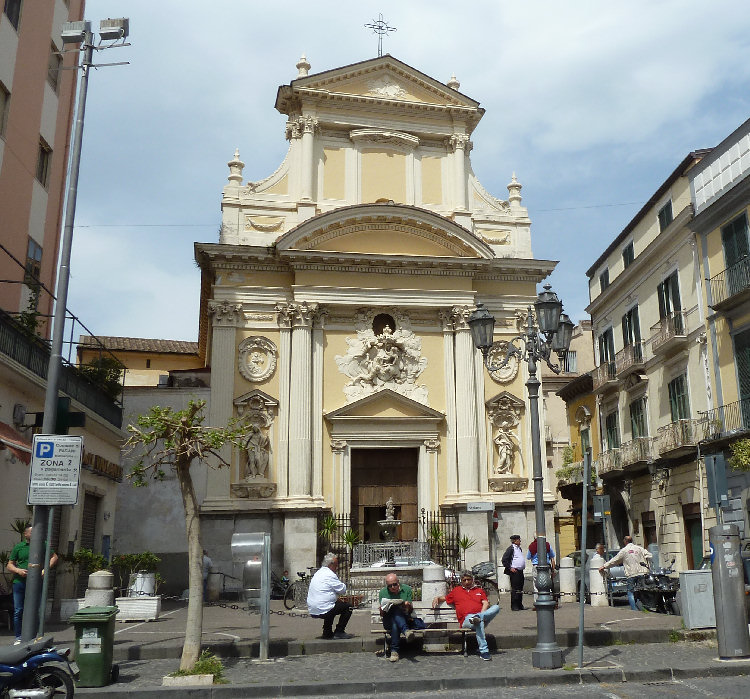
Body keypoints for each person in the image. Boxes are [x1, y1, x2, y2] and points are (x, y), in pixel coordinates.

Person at [432, 570, 499, 661]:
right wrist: (437, 598)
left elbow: (485, 603)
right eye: (464, 580)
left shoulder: (479, 591)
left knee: (496, 607)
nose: (467, 582)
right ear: (461, 581)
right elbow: (445, 598)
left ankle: (478, 617)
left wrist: (480, 615)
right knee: (478, 623)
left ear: (472, 580)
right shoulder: (456, 591)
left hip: (480, 616)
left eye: (469, 579)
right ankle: (484, 651)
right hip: (466, 620)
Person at [6, 526, 57, 644]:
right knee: (19, 610)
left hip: (36, 582)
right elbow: (9, 564)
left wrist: (45, 570)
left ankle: (36, 636)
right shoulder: (19, 547)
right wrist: (18, 571)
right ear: (26, 534)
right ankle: (18, 637)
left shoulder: (43, 544)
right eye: (32, 532)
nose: (36, 534)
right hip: (20, 582)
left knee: (37, 609)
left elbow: (54, 557)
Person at [307, 553, 354, 640]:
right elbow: (342, 590)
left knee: (332, 605)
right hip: (322, 608)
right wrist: (343, 585)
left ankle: (327, 632)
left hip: (313, 608)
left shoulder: (319, 572)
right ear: (331, 564)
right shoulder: (330, 575)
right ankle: (339, 631)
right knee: (348, 607)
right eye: (336, 565)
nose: (337, 567)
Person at [378, 573, 423, 662]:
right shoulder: (383, 592)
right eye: (390, 586)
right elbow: (382, 614)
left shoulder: (407, 589)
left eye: (394, 584)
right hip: (388, 620)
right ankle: (406, 631)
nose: (393, 587)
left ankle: (394, 652)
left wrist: (407, 605)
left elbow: (409, 611)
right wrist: (381, 609)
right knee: (394, 613)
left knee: (396, 620)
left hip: (404, 618)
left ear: (398, 582)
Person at [599, 535, 652, 611]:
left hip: (631, 574)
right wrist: (648, 565)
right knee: (643, 590)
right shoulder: (639, 548)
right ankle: (646, 607)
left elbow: (614, 560)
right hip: (643, 572)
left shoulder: (624, 550)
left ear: (625, 541)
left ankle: (634, 609)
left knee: (630, 592)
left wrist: (604, 566)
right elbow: (649, 555)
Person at [527, 534, 555, 602]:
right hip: (547, 566)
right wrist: (553, 569)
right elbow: (552, 557)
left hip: (536, 566)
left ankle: (537, 601)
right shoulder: (547, 545)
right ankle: (549, 601)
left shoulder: (532, 546)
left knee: (536, 585)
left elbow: (528, 557)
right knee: (548, 584)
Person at [501, 534, 526, 611]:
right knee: (515, 588)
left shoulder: (519, 548)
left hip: (520, 571)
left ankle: (519, 604)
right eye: (518, 540)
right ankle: (514, 605)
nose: (520, 541)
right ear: (514, 541)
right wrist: (510, 568)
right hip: (514, 571)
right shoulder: (511, 549)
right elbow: (504, 560)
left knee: (520, 587)